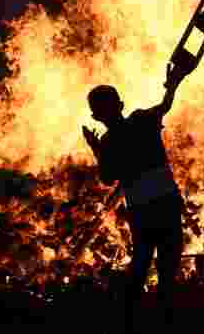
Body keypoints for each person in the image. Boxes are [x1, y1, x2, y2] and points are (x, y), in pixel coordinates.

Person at [82, 55, 196, 330]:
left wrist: (96, 149)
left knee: (142, 262)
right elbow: (166, 105)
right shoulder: (142, 119)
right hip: (165, 202)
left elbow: (109, 178)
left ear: (96, 116)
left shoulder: (108, 142)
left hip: (142, 209)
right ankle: (165, 318)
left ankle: (131, 320)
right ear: (121, 105)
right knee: (168, 263)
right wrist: (174, 83)